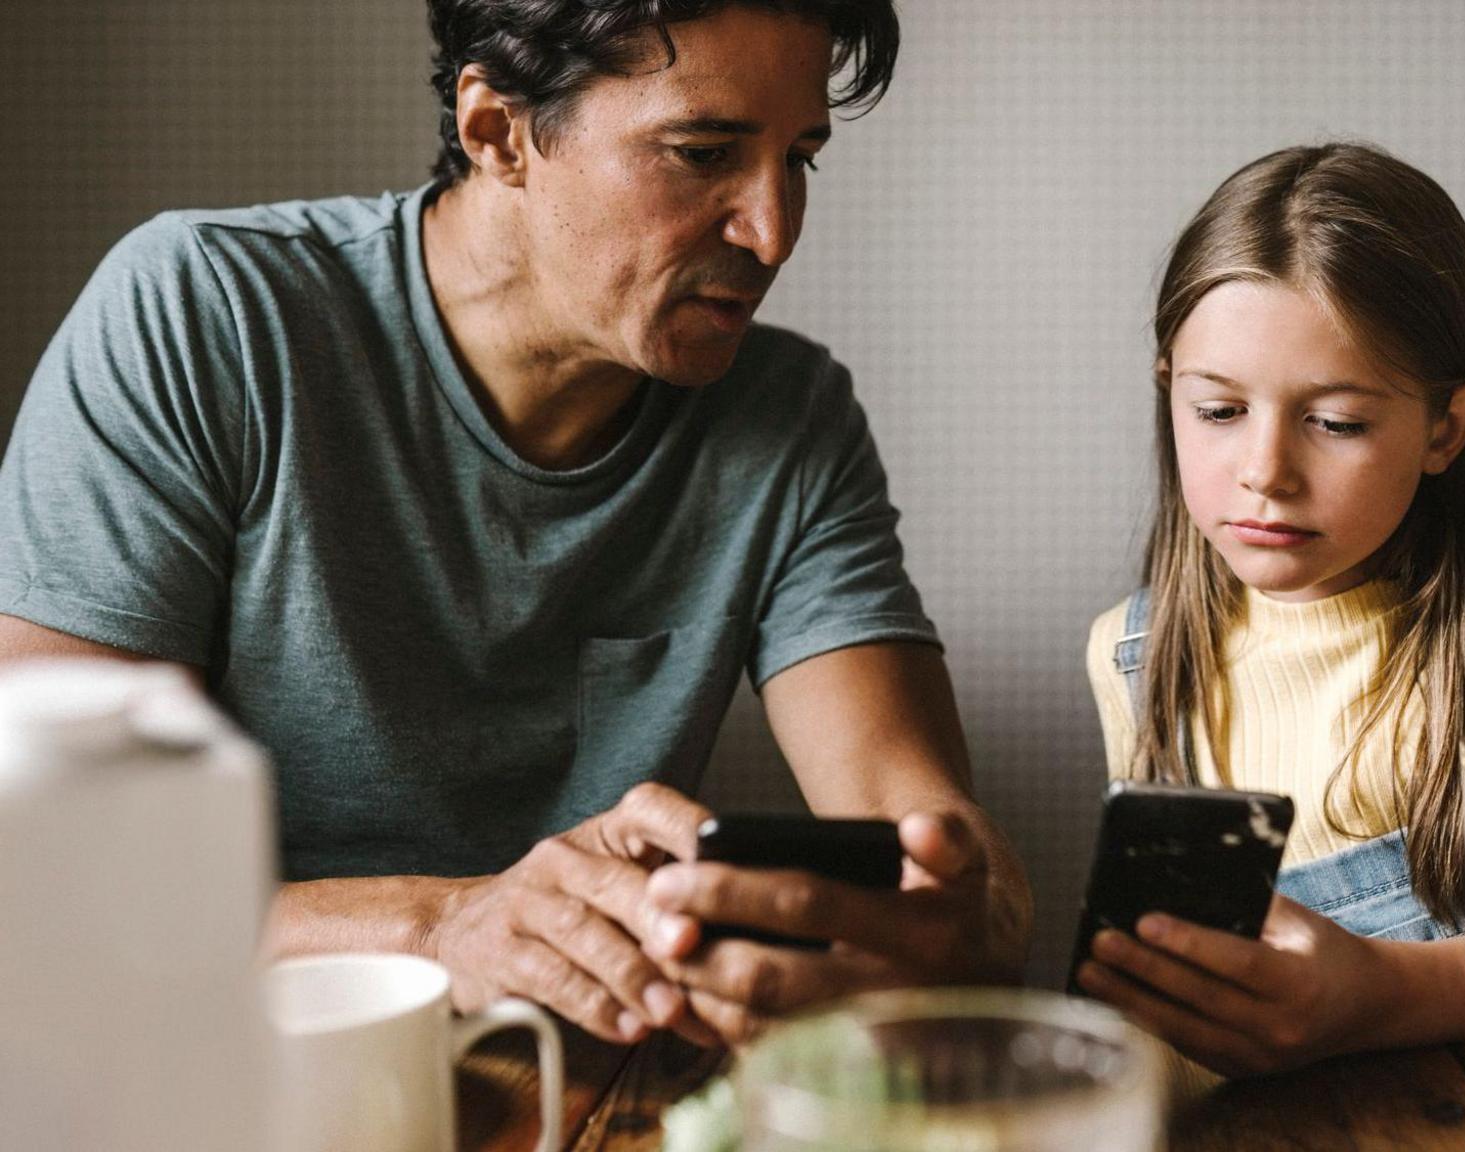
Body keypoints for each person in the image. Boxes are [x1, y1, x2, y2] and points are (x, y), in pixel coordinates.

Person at [0, 0, 1029, 1049]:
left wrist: (922, 928)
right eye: (702, 151)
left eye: (800, 159)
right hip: (225, 1065)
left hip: (589, 1073)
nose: (771, 230)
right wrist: (443, 927)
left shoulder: (788, 418)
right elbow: (42, 871)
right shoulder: (204, 316)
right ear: (496, 132)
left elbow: (943, 857)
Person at [1074, 142, 1465, 1079]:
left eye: (1336, 422)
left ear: (1447, 429)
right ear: (1168, 387)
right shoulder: (1133, 654)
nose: (1265, 471)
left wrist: (1382, 992)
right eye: (1218, 411)